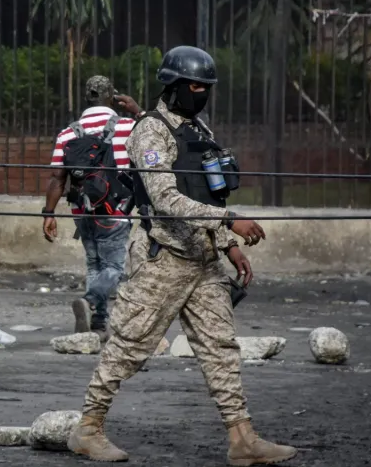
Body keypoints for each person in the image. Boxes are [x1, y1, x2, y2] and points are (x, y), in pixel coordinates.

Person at [67, 46, 296, 465]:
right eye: (195, 86)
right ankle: (87, 430)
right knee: (129, 346)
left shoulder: (199, 131)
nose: (202, 93)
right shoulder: (151, 132)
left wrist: (227, 245)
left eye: (206, 87)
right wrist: (229, 220)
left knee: (220, 348)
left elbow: (207, 189)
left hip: (204, 261)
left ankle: (242, 439)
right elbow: (166, 199)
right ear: (173, 87)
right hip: (163, 258)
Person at [42, 76, 141, 339]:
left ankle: (96, 325)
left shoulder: (68, 132)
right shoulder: (128, 126)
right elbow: (157, 134)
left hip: (81, 210)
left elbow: (57, 179)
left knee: (95, 265)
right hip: (115, 210)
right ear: (112, 97)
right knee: (115, 268)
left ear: (88, 98)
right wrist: (137, 110)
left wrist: (48, 214)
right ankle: (90, 300)